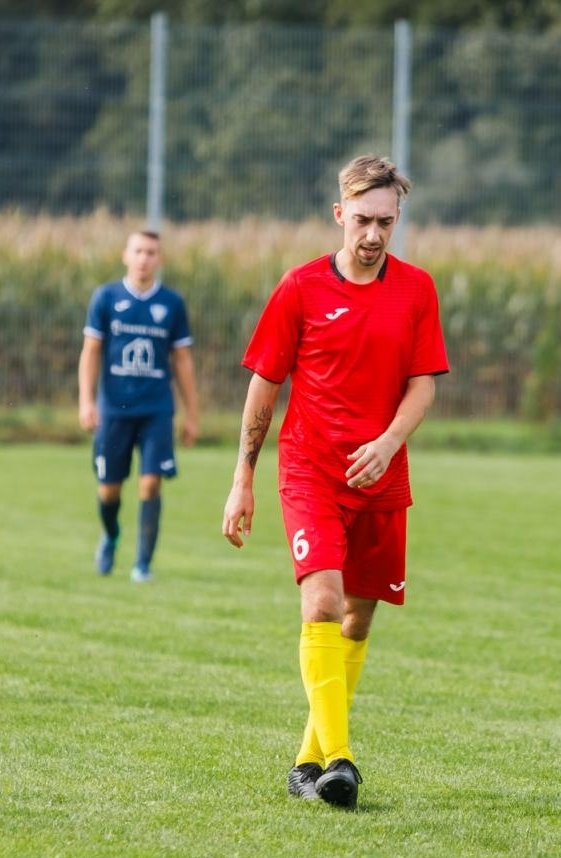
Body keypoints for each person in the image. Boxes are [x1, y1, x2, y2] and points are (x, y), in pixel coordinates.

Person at [221, 155, 447, 809]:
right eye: (363, 220)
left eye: (386, 222)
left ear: (397, 219)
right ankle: (343, 758)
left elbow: (422, 383)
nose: (374, 235)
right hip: (311, 471)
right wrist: (243, 478)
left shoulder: (417, 289)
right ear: (338, 214)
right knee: (321, 601)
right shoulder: (299, 289)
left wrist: (387, 442)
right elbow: (263, 390)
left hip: (383, 476)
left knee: (357, 617)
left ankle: (307, 760)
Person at [77, 230, 197, 582]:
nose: (144, 258)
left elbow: (183, 361)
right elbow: (91, 352)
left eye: (151, 252)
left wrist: (192, 413)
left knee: (150, 484)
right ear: (125, 255)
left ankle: (143, 564)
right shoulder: (106, 298)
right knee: (109, 489)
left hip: (157, 409)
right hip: (113, 410)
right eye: (138, 251)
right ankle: (111, 534)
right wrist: (86, 401)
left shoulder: (172, 304)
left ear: (159, 259)